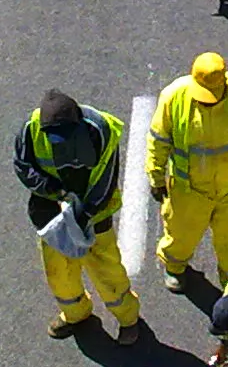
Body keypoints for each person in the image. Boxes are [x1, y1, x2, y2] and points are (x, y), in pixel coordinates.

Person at [15, 90, 143, 344]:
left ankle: (128, 319)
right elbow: (23, 167)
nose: (58, 142)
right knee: (59, 272)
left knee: (107, 272)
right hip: (53, 217)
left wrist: (83, 215)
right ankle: (75, 313)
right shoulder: (31, 129)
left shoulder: (99, 130)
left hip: (94, 217)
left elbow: (104, 181)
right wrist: (55, 192)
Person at [146, 52, 228, 293]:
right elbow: (158, 140)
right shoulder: (174, 97)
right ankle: (175, 267)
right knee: (180, 236)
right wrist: (156, 177)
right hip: (188, 189)